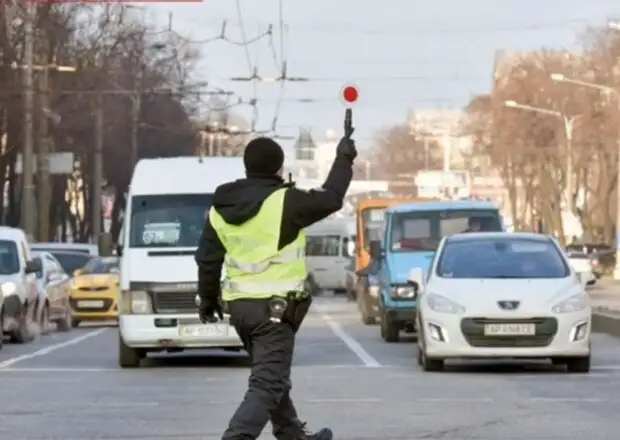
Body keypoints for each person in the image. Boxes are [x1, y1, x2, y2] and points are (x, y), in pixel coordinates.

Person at [195, 132, 357, 440]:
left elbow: (207, 259)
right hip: (275, 311)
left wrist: (208, 300)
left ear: (246, 166)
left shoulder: (219, 208)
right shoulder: (286, 201)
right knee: (267, 384)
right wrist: (344, 158)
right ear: (279, 167)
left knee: (271, 375)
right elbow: (332, 197)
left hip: (240, 310)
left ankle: (291, 434)